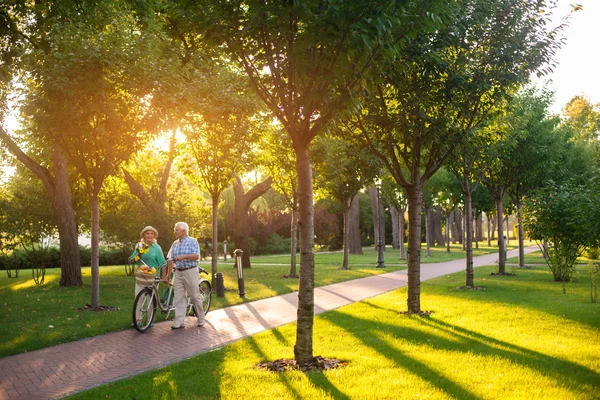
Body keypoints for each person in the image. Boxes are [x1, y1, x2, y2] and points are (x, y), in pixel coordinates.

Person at [166, 222, 206, 329]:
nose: (175, 231)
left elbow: (196, 256)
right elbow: (170, 259)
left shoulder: (192, 241)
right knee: (178, 297)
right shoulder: (174, 244)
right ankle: (179, 321)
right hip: (178, 272)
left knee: (194, 296)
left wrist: (183, 257)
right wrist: (167, 275)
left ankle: (201, 318)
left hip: (190, 271)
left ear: (183, 230)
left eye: (176, 229)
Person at [128, 226, 166, 298]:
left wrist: (163, 276)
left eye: (152, 234)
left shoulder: (157, 247)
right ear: (144, 235)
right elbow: (131, 260)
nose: (149, 235)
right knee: (138, 297)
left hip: (153, 277)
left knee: (151, 300)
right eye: (147, 233)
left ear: (154, 236)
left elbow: (163, 263)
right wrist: (139, 254)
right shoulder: (139, 246)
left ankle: (151, 309)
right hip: (141, 277)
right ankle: (137, 310)